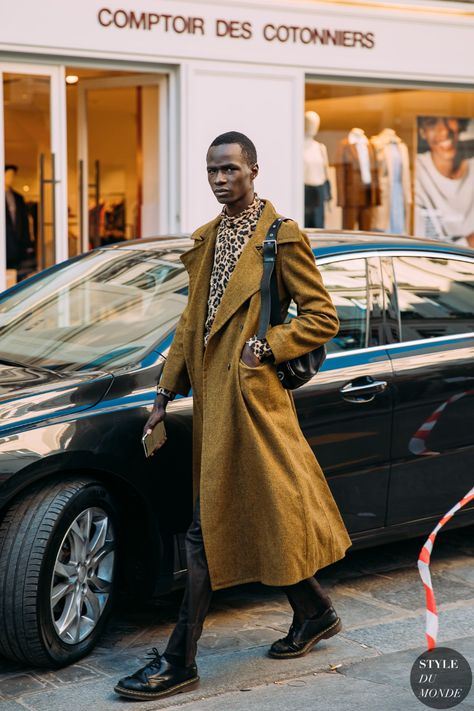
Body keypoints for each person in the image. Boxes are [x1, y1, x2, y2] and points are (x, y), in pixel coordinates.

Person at [114, 131, 352, 702]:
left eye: (230, 170)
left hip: (254, 405)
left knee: (203, 533)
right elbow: (188, 326)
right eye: (212, 171)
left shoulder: (280, 237)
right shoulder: (209, 238)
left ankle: (180, 660)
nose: (220, 179)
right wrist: (163, 396)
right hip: (212, 406)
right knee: (253, 516)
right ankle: (315, 612)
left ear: (254, 170)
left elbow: (322, 317)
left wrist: (266, 347)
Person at [415, 117, 474, 246]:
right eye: (432, 122)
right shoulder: (414, 169)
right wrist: (468, 242)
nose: (444, 131)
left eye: (450, 119)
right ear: (422, 132)